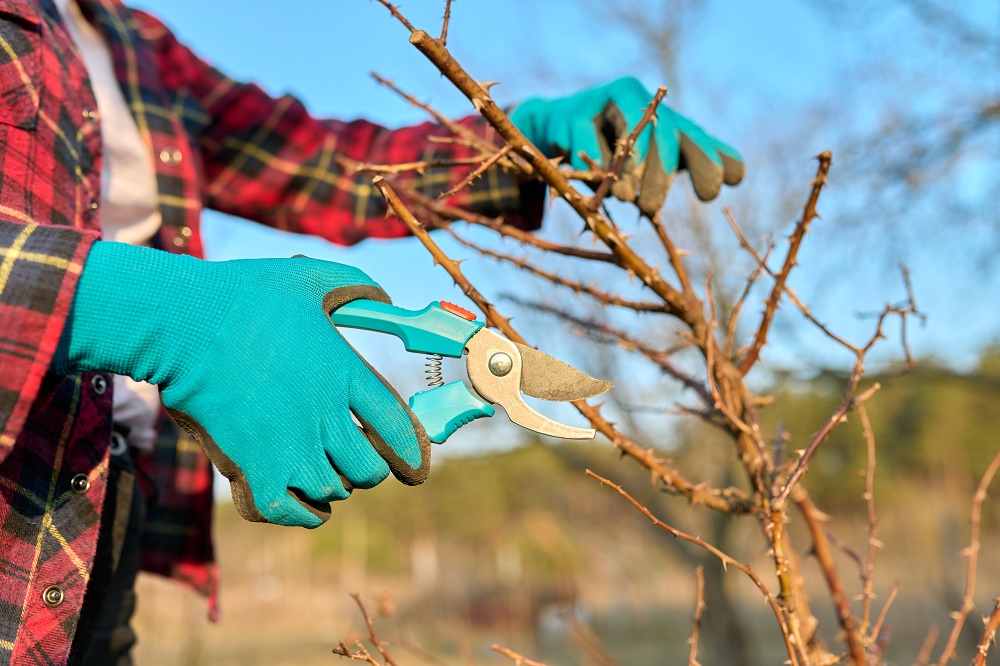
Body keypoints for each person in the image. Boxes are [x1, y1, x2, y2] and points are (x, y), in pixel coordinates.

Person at [0, 0, 744, 663]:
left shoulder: (133, 43)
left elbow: (332, 167)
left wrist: (527, 142)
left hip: (97, 515)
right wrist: (156, 314)